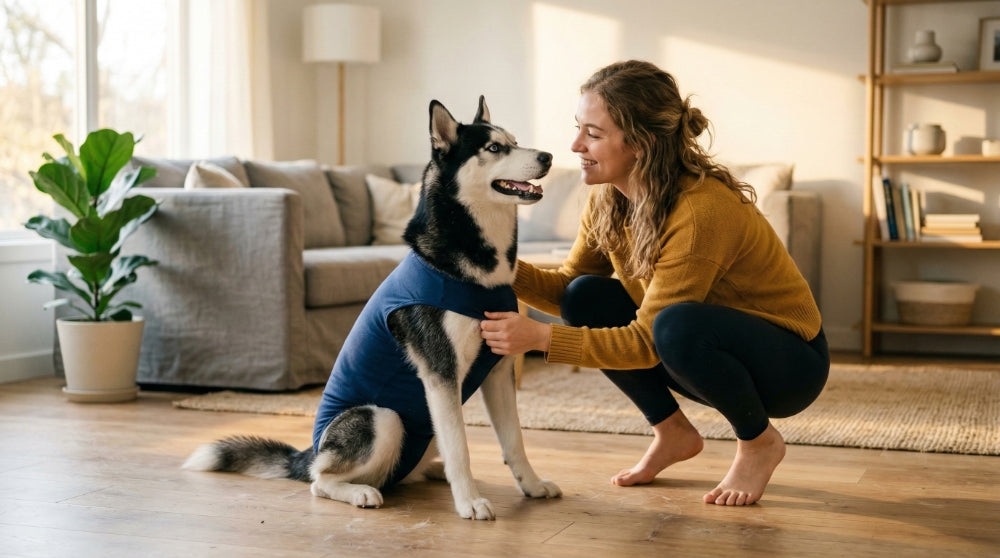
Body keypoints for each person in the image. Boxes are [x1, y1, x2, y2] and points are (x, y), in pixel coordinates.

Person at [479, 60, 829, 506]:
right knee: (583, 295)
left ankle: (759, 442)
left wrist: (542, 338)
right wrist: (492, 261)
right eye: (578, 128)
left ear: (640, 143)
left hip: (790, 365)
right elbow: (568, 286)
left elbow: (647, 341)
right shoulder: (609, 197)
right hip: (699, 343)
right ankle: (672, 431)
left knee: (675, 327)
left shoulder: (702, 212)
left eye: (594, 133)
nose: (575, 145)